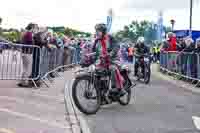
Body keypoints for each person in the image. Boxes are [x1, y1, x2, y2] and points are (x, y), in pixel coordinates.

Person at [92, 23, 126, 96]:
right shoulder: (97, 40)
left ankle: (120, 88)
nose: (97, 32)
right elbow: (94, 50)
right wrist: (90, 55)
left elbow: (116, 46)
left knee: (112, 68)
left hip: (113, 59)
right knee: (95, 71)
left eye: (98, 31)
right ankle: (101, 91)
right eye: (96, 31)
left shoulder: (110, 37)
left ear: (103, 31)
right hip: (102, 61)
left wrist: (111, 53)